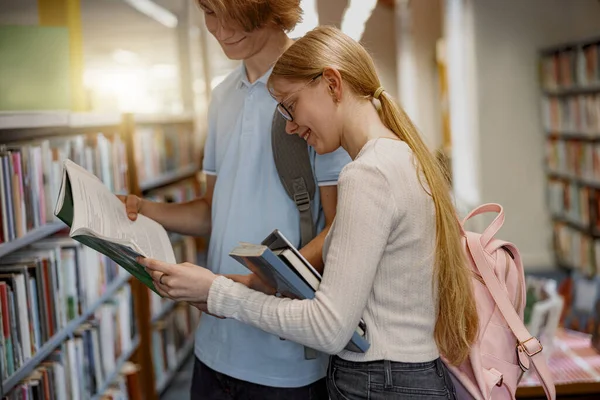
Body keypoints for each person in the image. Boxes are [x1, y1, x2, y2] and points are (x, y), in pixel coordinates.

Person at [139, 25, 479, 399]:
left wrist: (220, 294)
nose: (289, 125)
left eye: (290, 104)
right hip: (397, 378)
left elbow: (329, 327)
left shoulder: (368, 175)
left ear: (332, 84)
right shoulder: (399, 157)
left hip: (382, 384)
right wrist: (226, 286)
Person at [120, 2, 351, 399]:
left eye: (238, 17)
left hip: (285, 356)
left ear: (273, 9)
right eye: (210, 12)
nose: (222, 30)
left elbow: (339, 229)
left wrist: (248, 285)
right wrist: (142, 210)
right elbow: (212, 211)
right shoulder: (222, 97)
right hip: (213, 345)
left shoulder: (314, 90)